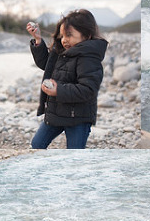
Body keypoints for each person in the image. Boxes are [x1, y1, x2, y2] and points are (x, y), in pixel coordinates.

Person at [27, 10, 107, 150]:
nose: (64, 40)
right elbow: (46, 64)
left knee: (74, 154)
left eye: (69, 35)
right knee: (37, 145)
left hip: (78, 118)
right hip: (55, 113)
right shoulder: (60, 51)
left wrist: (58, 90)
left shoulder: (89, 59)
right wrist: (38, 40)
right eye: (62, 35)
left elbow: (88, 89)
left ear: (86, 36)